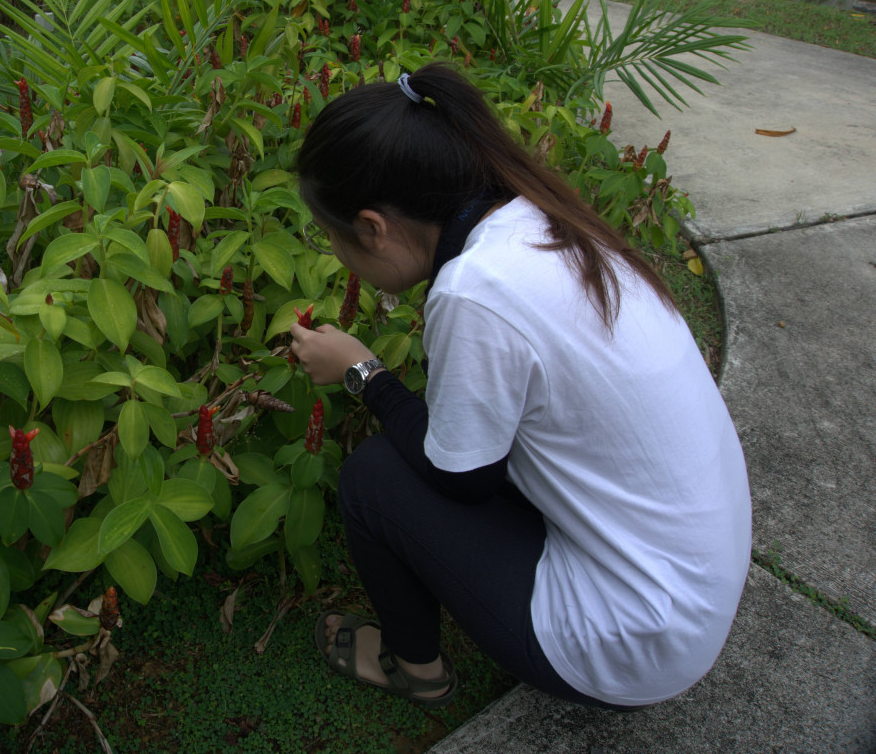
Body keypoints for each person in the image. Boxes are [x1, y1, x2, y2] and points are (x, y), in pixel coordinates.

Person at [288, 63, 751, 710]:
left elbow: (460, 478)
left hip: (636, 639)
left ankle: (414, 668)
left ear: (373, 228)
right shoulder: (535, 214)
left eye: (333, 236)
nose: (337, 252)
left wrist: (364, 372)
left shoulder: (477, 290)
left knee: (374, 478)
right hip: (694, 581)